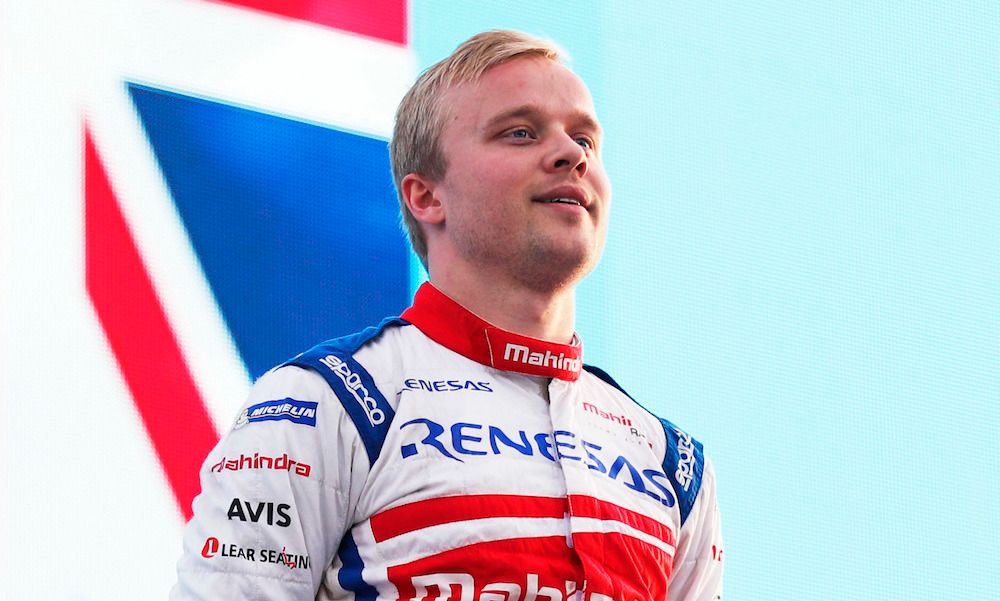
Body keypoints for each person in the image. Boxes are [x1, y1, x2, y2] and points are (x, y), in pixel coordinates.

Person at [171, 30, 723, 600]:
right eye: (520, 132)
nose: (572, 154)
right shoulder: (328, 402)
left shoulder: (670, 460)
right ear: (427, 197)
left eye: (584, 138)